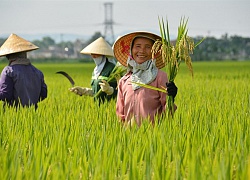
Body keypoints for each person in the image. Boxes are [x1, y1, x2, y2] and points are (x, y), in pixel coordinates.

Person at [113, 31, 178, 126]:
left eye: (148, 47)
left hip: (153, 137)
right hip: (128, 137)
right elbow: (120, 116)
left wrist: (171, 98)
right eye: (138, 46)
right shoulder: (124, 81)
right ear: (131, 50)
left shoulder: (160, 77)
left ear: (154, 52)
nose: (142, 51)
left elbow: (168, 113)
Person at [0, 33, 47, 109]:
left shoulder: (8, 71)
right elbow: (43, 94)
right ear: (25, 54)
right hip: (34, 114)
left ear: (8, 56)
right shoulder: (38, 72)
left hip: (13, 115)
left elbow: (5, 95)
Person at [69, 37, 117, 103]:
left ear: (103, 54)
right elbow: (95, 91)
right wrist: (84, 91)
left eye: (96, 54)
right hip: (97, 107)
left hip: (110, 105)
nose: (93, 56)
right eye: (92, 54)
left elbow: (121, 91)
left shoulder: (112, 68)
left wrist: (110, 90)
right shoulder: (96, 70)